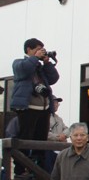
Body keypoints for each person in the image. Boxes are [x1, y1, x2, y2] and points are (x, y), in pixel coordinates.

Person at [11, 38, 60, 168]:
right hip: (27, 107)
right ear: (29, 50)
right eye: (37, 49)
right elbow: (24, 70)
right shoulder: (19, 63)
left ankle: (38, 165)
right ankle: (20, 167)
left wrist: (47, 63)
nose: (40, 52)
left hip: (43, 109)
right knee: (25, 138)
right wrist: (35, 58)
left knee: (41, 139)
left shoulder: (39, 67)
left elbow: (53, 79)